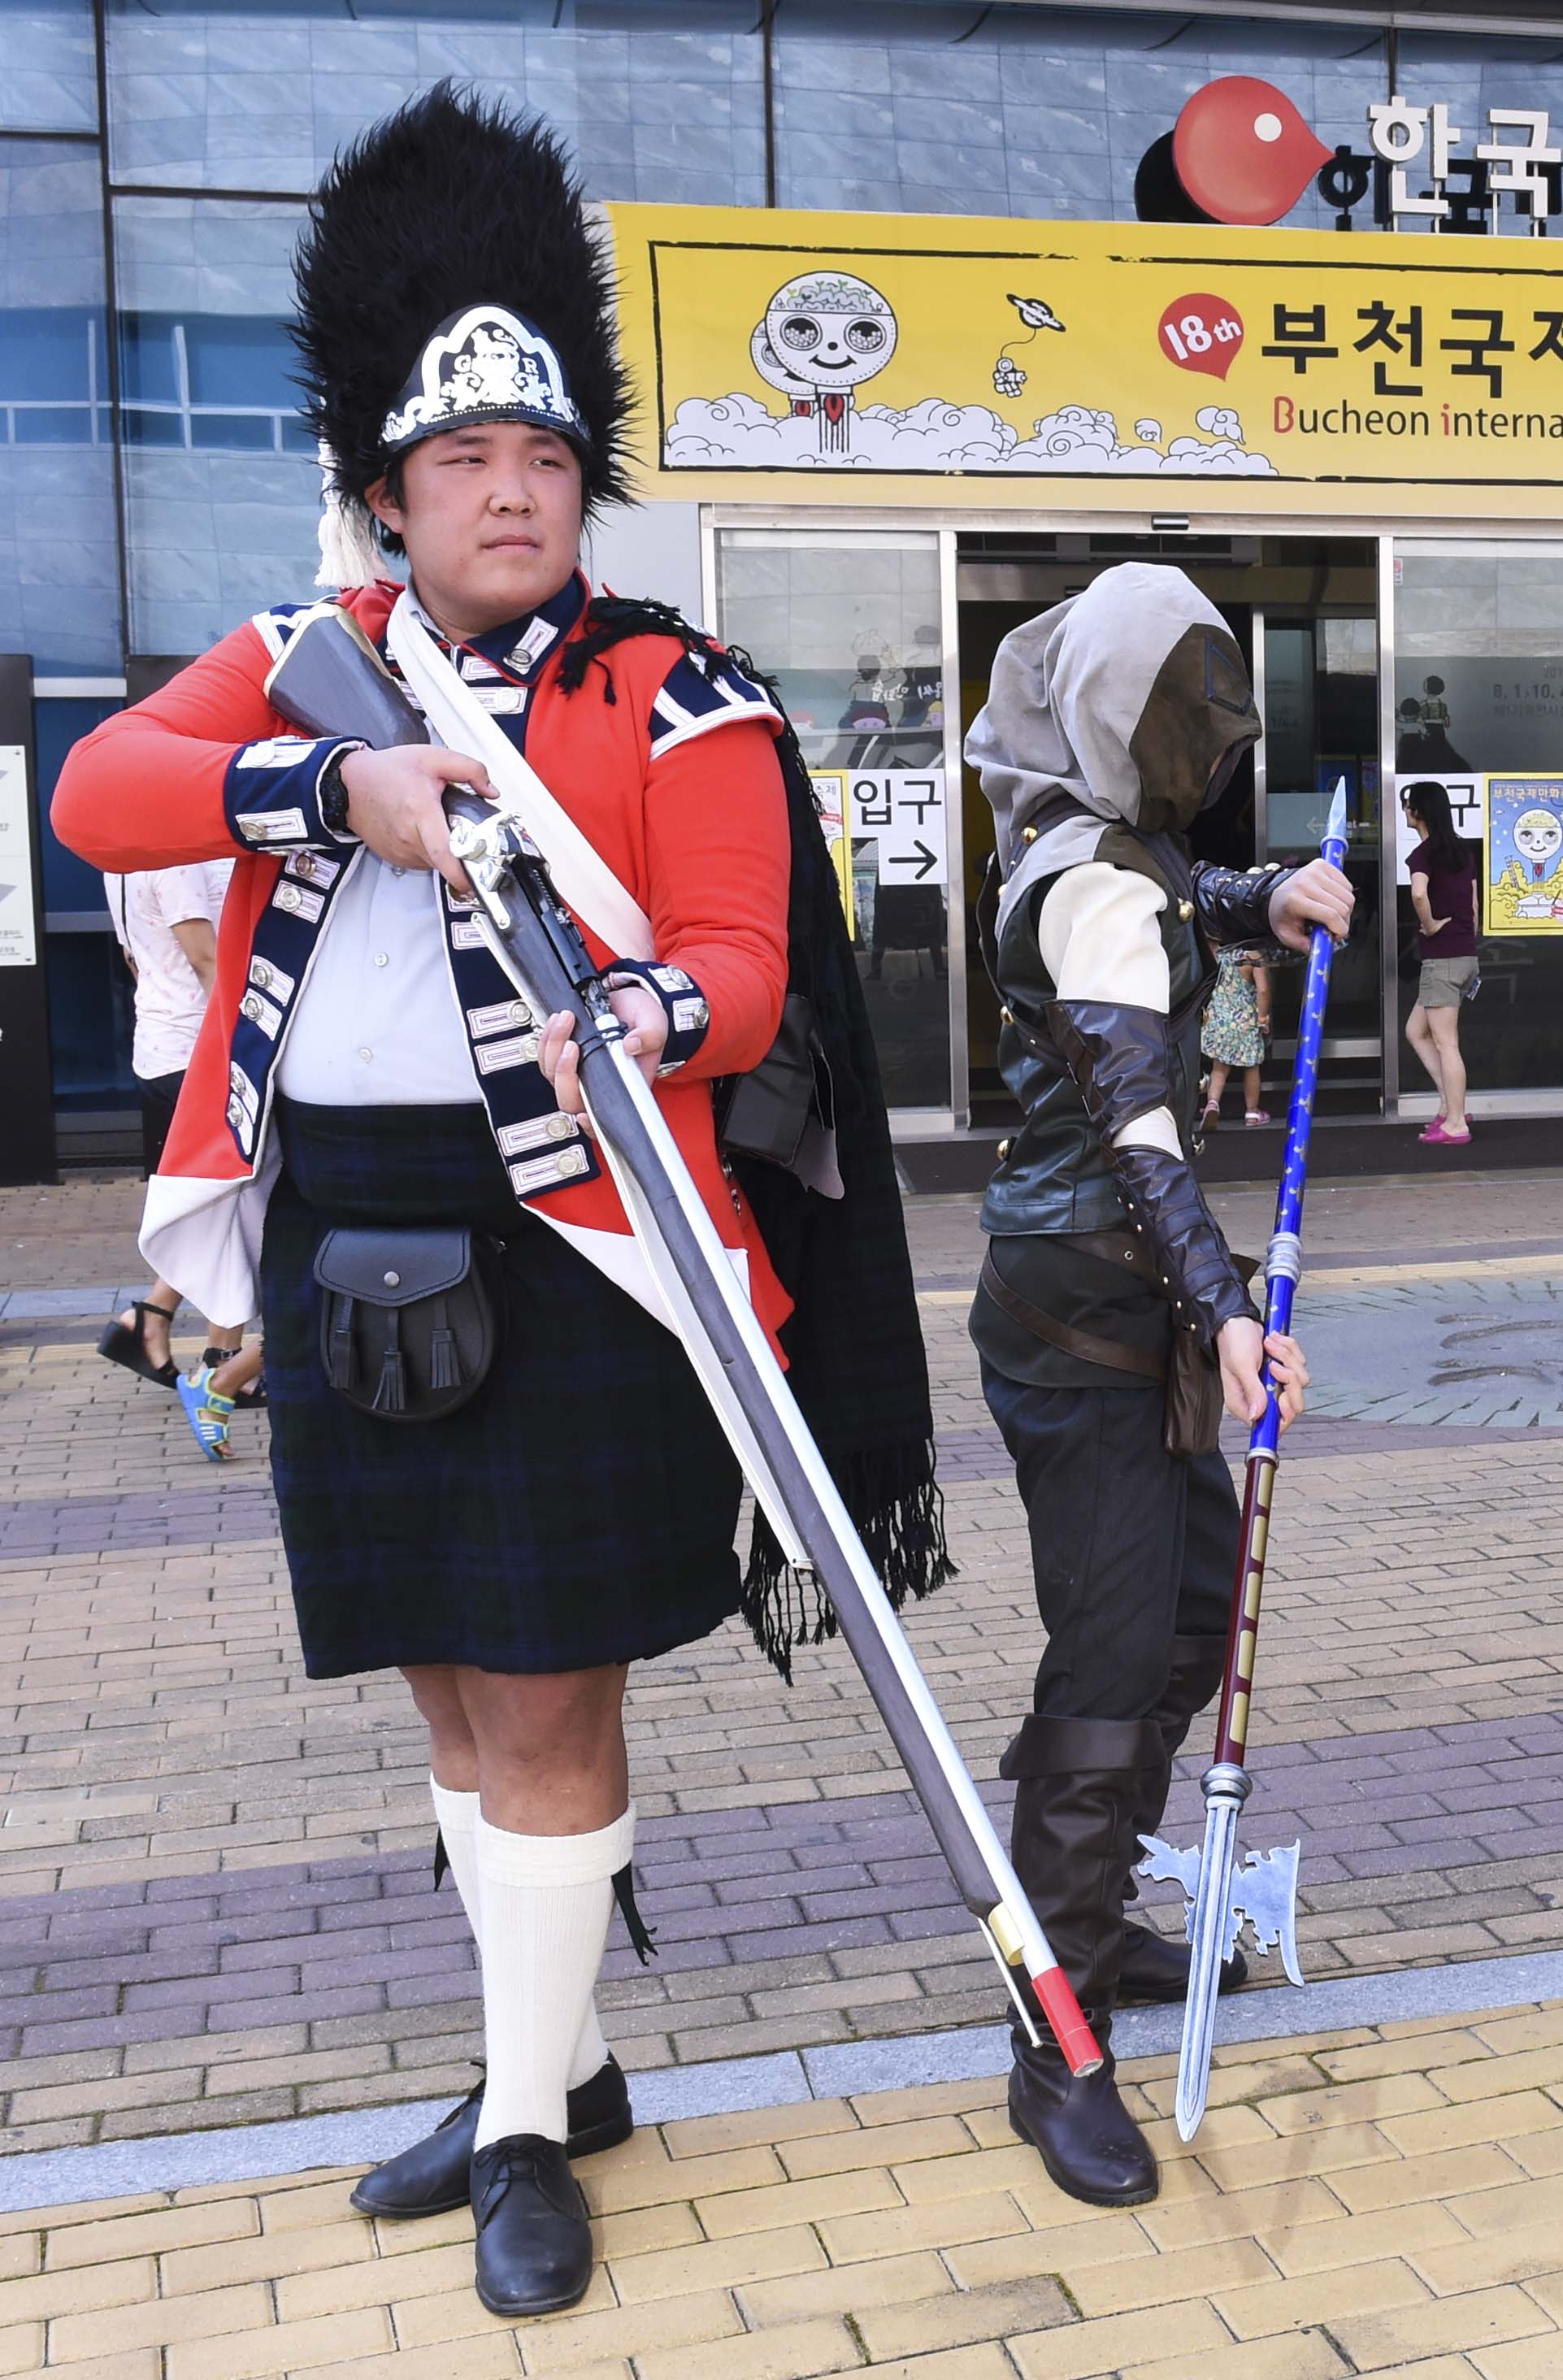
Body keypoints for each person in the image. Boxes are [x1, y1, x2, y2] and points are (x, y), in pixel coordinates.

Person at [52, 87, 943, 2317]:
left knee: (541, 1699)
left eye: (545, 460)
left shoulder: (675, 684)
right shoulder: (308, 663)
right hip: (340, 1204)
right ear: (383, 492)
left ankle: (530, 2127)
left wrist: (647, 1009)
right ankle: (556, 2056)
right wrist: (329, 781)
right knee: (447, 1690)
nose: (513, 492)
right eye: (464, 465)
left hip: (569, 1226)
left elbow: (745, 970)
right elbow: (96, 791)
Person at [965, 562, 1352, 2209]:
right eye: (1177, 709)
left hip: (1124, 1317)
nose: (1200, 741)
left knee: (1189, 1617)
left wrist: (1260, 897)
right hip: (1091, 1327)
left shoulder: (1096, 850)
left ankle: (1095, 1899)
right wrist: (1232, 1307)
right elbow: (1135, 1116)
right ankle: (1052, 2025)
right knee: (1121, 1654)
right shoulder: (1089, 880)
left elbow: (1164, 903)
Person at [97, 862, 236, 1392]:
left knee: (211, 1204)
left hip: (160, 1046)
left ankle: (152, 1318)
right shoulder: (176, 862)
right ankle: (225, 1365)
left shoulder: (122, 862)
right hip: (198, 1056)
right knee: (231, 1204)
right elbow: (205, 958)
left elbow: (137, 960)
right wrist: (237, 1049)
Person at [1402, 779, 1478, 1144]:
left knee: (1447, 1042)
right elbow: (1474, 906)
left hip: (1443, 958)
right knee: (1416, 1031)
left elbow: (1418, 893)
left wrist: (1430, 925)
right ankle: (1451, 1104)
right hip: (1464, 956)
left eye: (1407, 805)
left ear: (1419, 812)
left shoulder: (1423, 855)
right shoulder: (1463, 852)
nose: (1405, 811)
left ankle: (1456, 1123)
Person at [1198, 939, 1269, 1128]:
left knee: (1219, 1067)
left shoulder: (1217, 952)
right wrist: (1263, 1017)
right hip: (1246, 1019)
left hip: (1220, 1019)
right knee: (1252, 1067)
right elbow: (1262, 989)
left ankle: (1212, 1103)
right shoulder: (1253, 955)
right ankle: (1252, 1112)